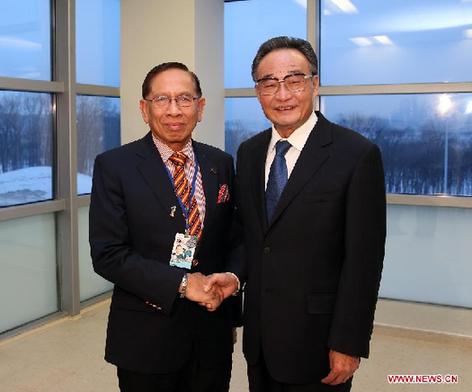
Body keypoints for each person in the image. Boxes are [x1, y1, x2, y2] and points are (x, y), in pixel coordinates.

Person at [207, 36, 386, 391]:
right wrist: (234, 275)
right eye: (269, 83)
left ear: (314, 84)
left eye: (294, 80)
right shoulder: (250, 152)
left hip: (318, 340)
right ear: (257, 92)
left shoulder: (356, 154)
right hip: (260, 338)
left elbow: (364, 261)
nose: (282, 94)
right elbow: (250, 234)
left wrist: (349, 342)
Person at [89, 62, 238, 392]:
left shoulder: (220, 164)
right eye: (162, 99)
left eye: (185, 99)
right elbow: (108, 255)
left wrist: (232, 278)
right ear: (144, 109)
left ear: (200, 108)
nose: (174, 110)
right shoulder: (115, 166)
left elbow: (234, 238)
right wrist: (183, 283)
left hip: (211, 333)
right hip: (147, 337)